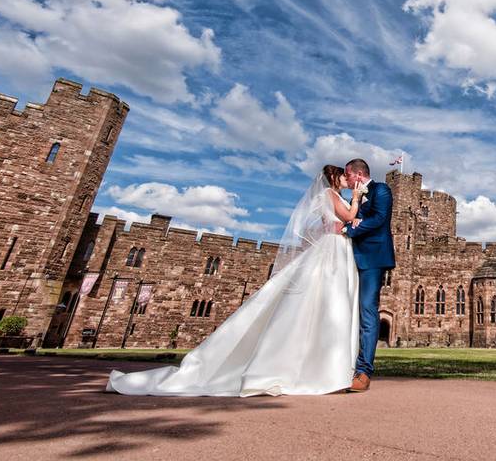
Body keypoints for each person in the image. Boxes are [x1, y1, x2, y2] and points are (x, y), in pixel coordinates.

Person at [104, 164, 363, 396]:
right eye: (343, 176)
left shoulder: (325, 198)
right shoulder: (330, 195)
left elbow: (317, 228)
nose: (346, 180)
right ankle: (319, 370)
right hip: (331, 251)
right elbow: (349, 218)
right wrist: (356, 198)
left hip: (332, 250)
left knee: (320, 304)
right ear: (333, 178)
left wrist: (338, 223)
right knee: (326, 304)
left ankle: (320, 368)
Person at [342, 158, 395, 392]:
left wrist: (350, 228)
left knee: (367, 309)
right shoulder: (354, 196)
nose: (346, 181)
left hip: (373, 257)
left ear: (359, 174)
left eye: (349, 176)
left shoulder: (381, 189)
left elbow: (379, 219)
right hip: (350, 255)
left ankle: (363, 372)